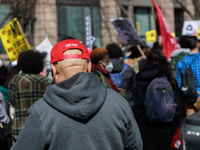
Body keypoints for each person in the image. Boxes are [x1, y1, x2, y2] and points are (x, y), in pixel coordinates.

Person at [10, 39, 143, 150]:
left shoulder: (40, 112)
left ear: (54, 70)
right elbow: (136, 146)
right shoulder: (118, 102)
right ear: (89, 67)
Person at [132, 49, 182, 150]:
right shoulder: (170, 80)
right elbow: (178, 106)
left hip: (147, 129)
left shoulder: (141, 80)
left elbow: (137, 108)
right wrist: (174, 122)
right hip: (168, 128)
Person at [8, 50, 51, 141]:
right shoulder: (46, 82)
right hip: (43, 129)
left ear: (22, 64)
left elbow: (12, 100)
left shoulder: (16, 80)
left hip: (20, 128)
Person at [176, 36, 200, 117]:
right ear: (198, 44)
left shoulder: (181, 62)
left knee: (191, 124)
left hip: (189, 97)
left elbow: (178, 83)